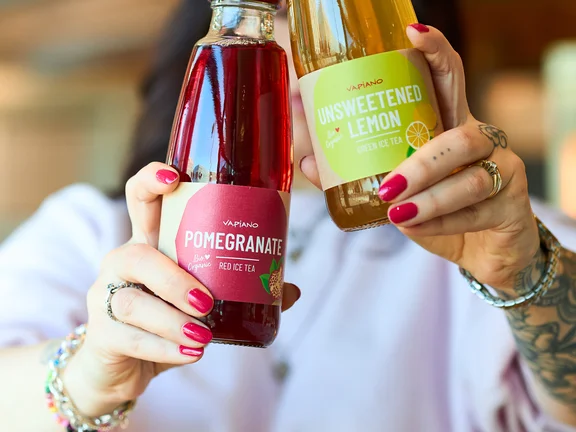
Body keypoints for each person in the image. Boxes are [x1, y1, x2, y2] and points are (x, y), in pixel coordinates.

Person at [1, 0, 576, 431]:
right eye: (282, 10)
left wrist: (524, 275)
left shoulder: (507, 231)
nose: (309, 45)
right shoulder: (89, 230)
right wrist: (88, 374)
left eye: (340, 14)